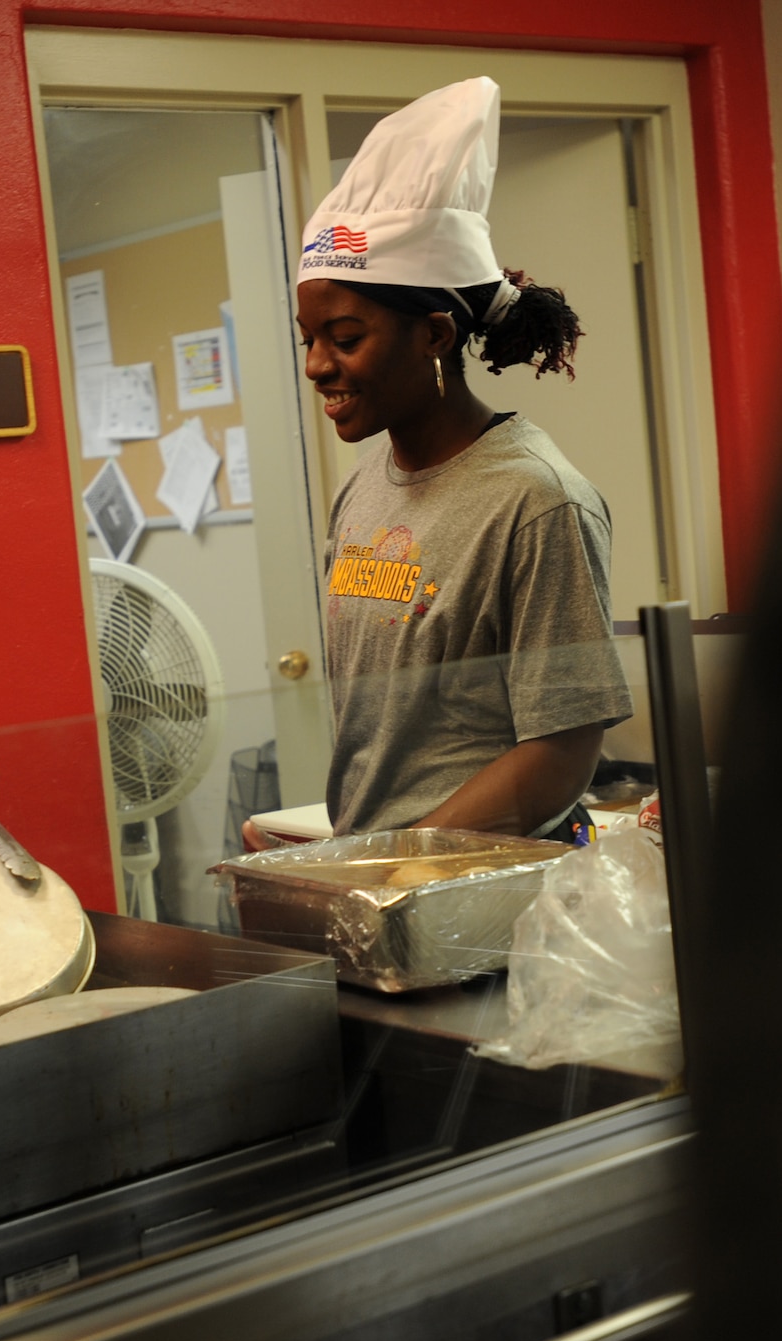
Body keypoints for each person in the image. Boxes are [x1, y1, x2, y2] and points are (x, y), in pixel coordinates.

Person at [292, 77, 632, 842]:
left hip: (483, 906)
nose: (317, 365)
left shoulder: (537, 502)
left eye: (344, 338)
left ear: (436, 336)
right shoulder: (362, 491)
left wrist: (395, 865)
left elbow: (562, 751)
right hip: (380, 886)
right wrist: (337, 852)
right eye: (307, 339)